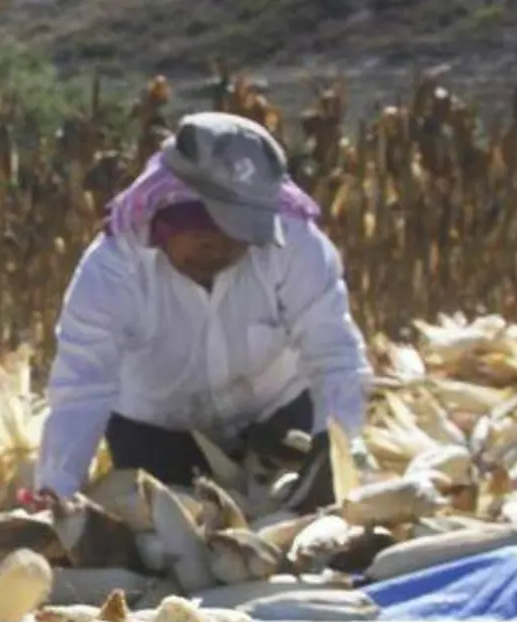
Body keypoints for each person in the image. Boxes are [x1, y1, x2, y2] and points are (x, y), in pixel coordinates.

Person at [34, 112, 371, 510]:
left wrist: (339, 460)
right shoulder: (113, 269)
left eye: (238, 233)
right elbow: (82, 386)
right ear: (165, 217)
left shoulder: (295, 245)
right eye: (204, 234)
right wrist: (55, 494)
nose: (222, 248)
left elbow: (335, 355)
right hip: (156, 431)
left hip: (276, 417)